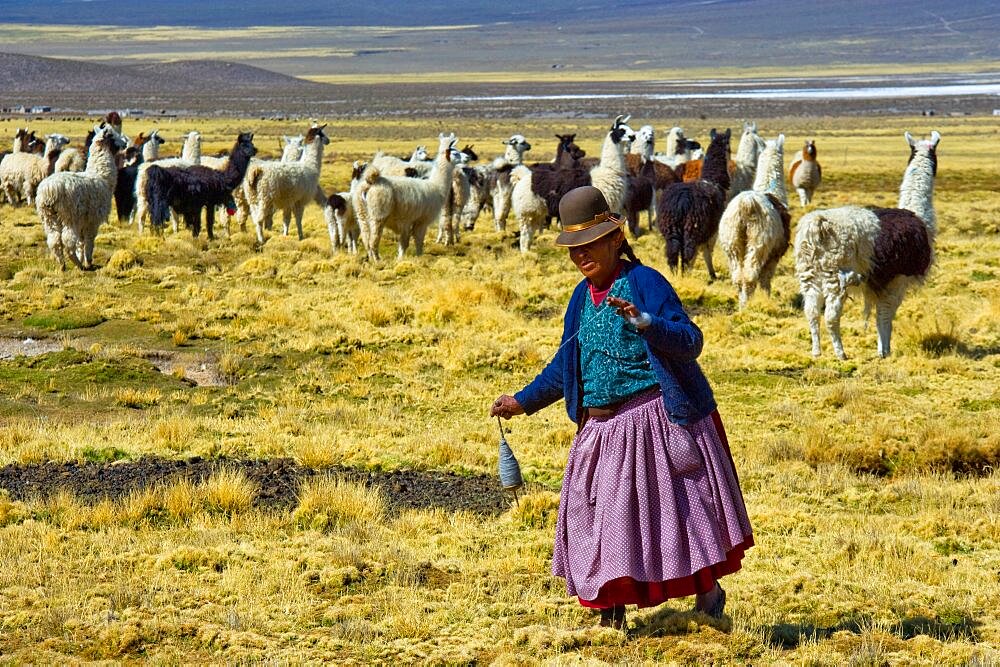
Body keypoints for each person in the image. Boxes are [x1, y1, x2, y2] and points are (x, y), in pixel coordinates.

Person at [490, 186, 753, 631]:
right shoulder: (580, 298)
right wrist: (521, 401)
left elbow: (690, 341)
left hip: (653, 422)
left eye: (590, 244)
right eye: (575, 248)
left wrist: (647, 324)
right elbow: (566, 365)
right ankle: (610, 613)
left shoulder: (646, 283)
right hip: (599, 430)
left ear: (616, 237)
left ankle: (708, 598)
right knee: (598, 521)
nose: (581, 256)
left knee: (680, 518)